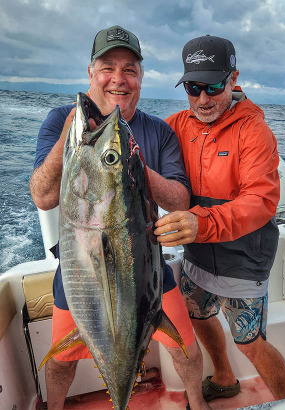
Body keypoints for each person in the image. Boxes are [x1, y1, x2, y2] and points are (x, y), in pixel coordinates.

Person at [30, 25, 210, 410]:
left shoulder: (158, 132)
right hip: (82, 265)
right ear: (91, 73)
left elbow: (180, 200)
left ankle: (197, 403)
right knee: (61, 359)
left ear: (141, 78)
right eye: (107, 67)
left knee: (186, 349)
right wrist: (71, 136)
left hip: (146, 265)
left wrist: (129, 164)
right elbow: (43, 197)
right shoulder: (62, 120)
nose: (118, 78)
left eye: (130, 69)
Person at [154, 34, 285, 403]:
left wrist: (201, 223)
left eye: (214, 86)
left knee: (250, 342)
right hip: (199, 253)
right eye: (193, 87)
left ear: (233, 80)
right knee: (198, 315)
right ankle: (225, 378)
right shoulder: (177, 125)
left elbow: (260, 201)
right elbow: (137, 137)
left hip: (244, 257)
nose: (203, 98)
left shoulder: (254, 131)